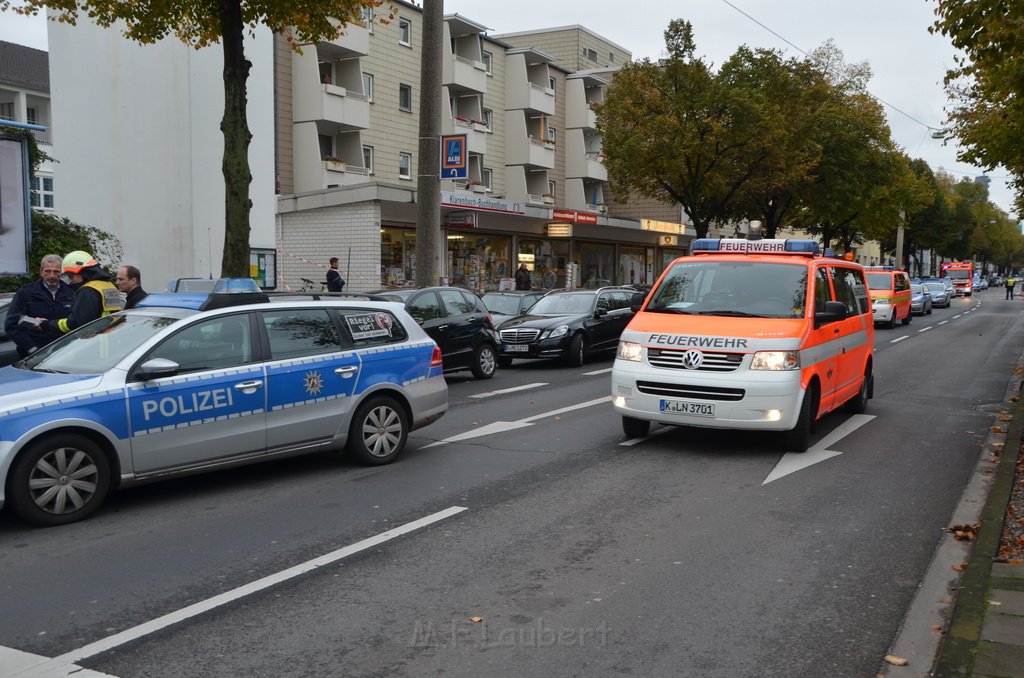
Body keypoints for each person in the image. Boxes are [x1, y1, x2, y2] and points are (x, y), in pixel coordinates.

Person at [4, 254, 74, 359]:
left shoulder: (71, 293)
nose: (52, 275)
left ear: (62, 272)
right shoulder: (25, 293)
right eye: (47, 271)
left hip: (63, 354)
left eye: (56, 271)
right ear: (41, 272)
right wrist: (32, 349)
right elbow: (11, 325)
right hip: (32, 356)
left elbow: (76, 323)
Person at [47, 251, 124, 335]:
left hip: (95, 343)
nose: (71, 281)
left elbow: (75, 324)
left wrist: (48, 324)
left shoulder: (88, 291)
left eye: (70, 276)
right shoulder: (109, 286)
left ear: (82, 272)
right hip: (112, 340)